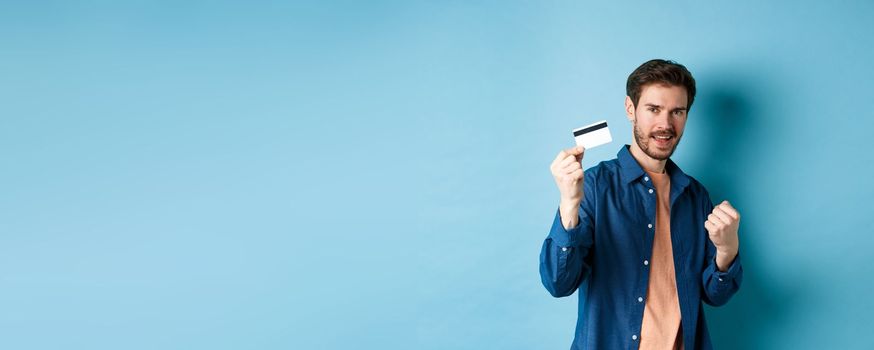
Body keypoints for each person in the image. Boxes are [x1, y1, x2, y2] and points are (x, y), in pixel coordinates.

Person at [540, 59, 743, 350]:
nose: (665, 124)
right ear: (630, 109)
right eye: (654, 109)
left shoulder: (695, 196)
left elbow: (715, 296)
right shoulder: (595, 186)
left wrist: (727, 249)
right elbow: (558, 283)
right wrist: (570, 205)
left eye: (677, 112)